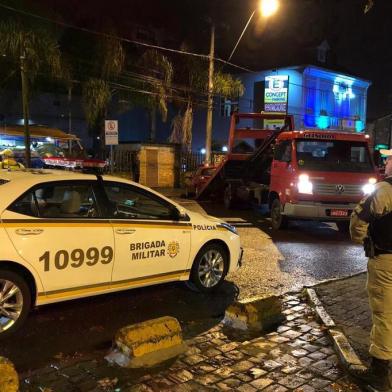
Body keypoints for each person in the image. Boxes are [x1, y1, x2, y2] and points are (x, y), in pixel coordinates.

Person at [350, 148, 392, 391]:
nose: (385, 163)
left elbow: (359, 218)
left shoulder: (385, 189)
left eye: (388, 159)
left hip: (386, 260)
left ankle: (380, 372)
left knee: (384, 314)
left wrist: (359, 239)